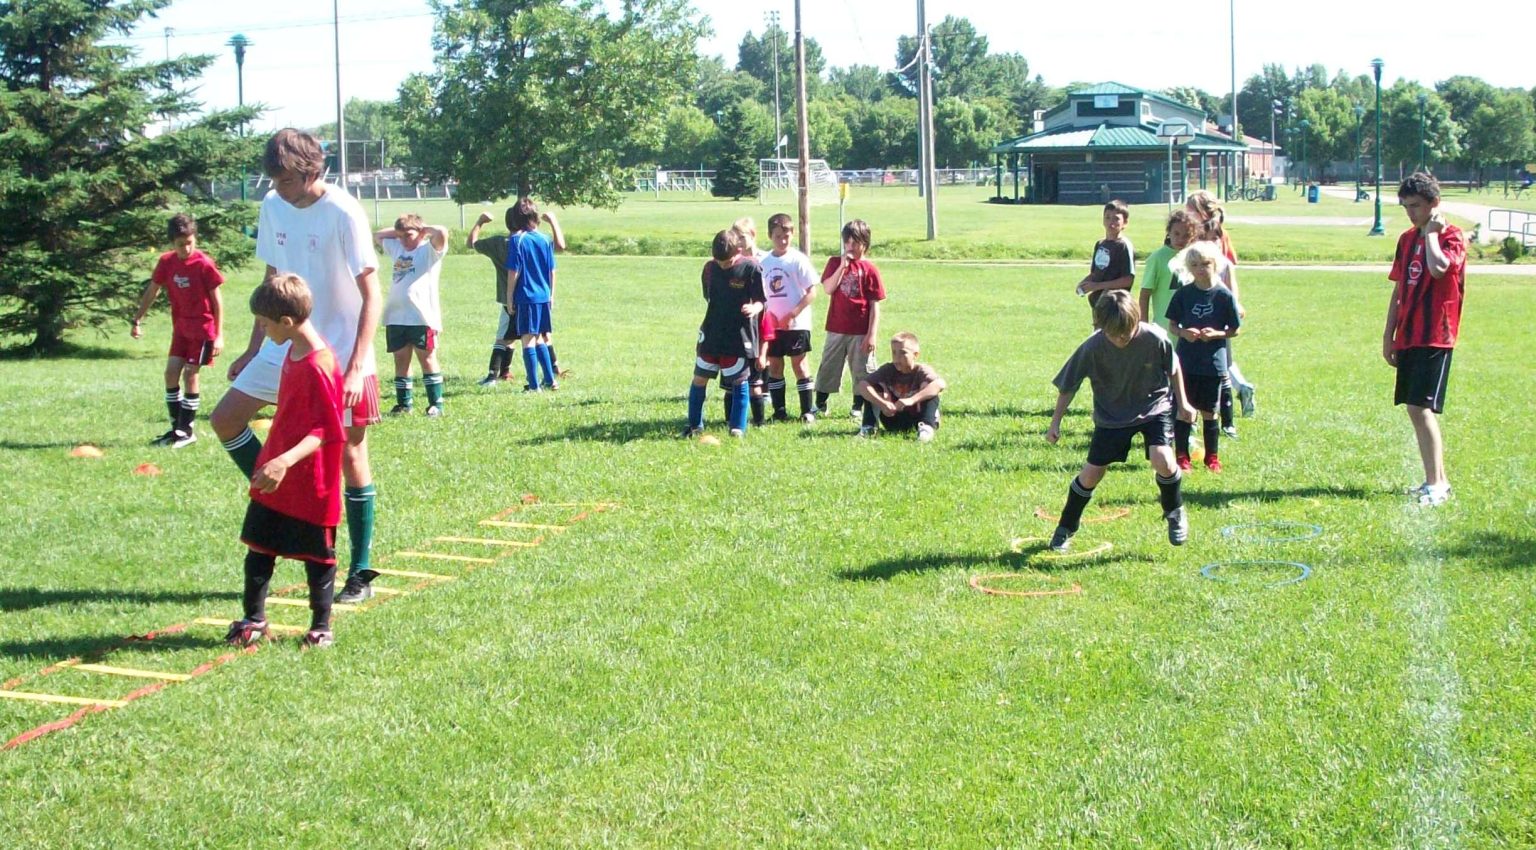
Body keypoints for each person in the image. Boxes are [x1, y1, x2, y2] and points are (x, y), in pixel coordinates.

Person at [210, 128, 383, 606]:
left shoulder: (344, 212)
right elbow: (271, 279)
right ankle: (281, 494)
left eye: (286, 179)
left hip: (337, 354)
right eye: (275, 179)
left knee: (349, 457)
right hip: (279, 343)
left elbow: (373, 293)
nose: (279, 187)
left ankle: (360, 569)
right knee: (225, 418)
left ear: (312, 171)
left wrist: (355, 367)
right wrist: (251, 348)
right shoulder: (272, 206)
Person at [225, 273, 346, 649]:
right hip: (277, 469)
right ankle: (253, 620)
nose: (261, 331)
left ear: (287, 322)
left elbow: (326, 429)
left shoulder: (319, 364)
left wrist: (284, 462)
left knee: (318, 554)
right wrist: (271, 458)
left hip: (311, 476)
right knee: (259, 544)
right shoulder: (291, 352)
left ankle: (321, 627)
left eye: (264, 324)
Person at [1045, 290, 1196, 552]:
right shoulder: (1092, 347)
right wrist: (1055, 422)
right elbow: (1068, 386)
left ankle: (1174, 512)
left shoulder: (1154, 338)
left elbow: (1173, 368)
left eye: (1128, 332)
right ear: (1101, 326)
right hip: (1111, 415)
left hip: (1154, 407)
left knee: (1163, 459)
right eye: (1114, 334)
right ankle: (1066, 527)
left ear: (1137, 320)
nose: (1122, 338)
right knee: (1091, 475)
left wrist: (1183, 403)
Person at [1383, 171, 1467, 506]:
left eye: (1416, 206)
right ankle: (1435, 479)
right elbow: (1398, 289)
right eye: (1405, 207)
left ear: (1434, 204)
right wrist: (1388, 335)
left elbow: (1438, 268)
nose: (1411, 213)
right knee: (1413, 408)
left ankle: (1438, 484)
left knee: (1422, 407)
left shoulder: (1451, 236)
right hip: (1409, 334)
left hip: (1436, 334)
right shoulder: (1406, 239)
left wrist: (1432, 234)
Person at [132, 213, 225, 448]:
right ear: (171, 243)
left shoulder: (203, 264)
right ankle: (176, 429)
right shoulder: (166, 262)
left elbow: (217, 301)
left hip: (203, 330)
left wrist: (219, 335)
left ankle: (187, 431)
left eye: (190, 243)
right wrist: (138, 318)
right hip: (181, 329)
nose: (186, 248)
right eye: (180, 245)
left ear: (195, 239)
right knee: (171, 373)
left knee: (190, 374)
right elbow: (152, 290)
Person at [1165, 240, 1242, 473]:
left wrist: (1217, 333)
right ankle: (1181, 457)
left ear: (1215, 264)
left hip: (1213, 362)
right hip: (1186, 362)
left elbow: (1235, 329)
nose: (1201, 269)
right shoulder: (1184, 294)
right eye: (1195, 264)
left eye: (1206, 264)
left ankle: (1212, 457)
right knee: (1184, 410)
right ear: (1189, 268)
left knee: (1210, 411)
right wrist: (1184, 333)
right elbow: (1172, 325)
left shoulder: (1223, 296)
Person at [468, 206, 566, 386]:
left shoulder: (505, 242)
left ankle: (498, 376)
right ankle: (551, 374)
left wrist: (480, 221)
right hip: (542, 296)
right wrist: (552, 221)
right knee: (540, 336)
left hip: (517, 298)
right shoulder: (541, 240)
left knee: (509, 337)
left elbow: (472, 243)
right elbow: (557, 255)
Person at [684, 230, 766, 438]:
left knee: (739, 381)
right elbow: (709, 297)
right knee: (699, 378)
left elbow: (761, 300)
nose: (723, 266)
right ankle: (695, 425)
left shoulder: (751, 267)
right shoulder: (710, 269)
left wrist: (755, 308)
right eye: (718, 261)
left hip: (738, 336)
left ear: (739, 251)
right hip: (712, 333)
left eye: (727, 262)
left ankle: (737, 428)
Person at [1186, 190, 1255, 430]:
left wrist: (1233, 304)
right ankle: (1238, 392)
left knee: (1216, 362)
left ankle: (1216, 417)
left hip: (1212, 306)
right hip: (1208, 303)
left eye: (1190, 208)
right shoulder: (1208, 233)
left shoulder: (1207, 236)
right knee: (1219, 360)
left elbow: (1227, 269)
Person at [376, 214, 449, 416]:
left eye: (408, 235)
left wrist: (422, 228)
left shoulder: (428, 251)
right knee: (400, 359)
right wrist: (402, 232)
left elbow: (442, 232)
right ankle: (404, 404)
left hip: (421, 316)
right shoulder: (398, 248)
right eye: (399, 236)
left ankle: (436, 403)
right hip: (396, 316)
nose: (403, 240)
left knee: (426, 358)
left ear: (422, 233)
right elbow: (377, 235)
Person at [815, 219, 885, 420]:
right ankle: (820, 403)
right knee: (829, 365)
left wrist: (871, 335)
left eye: (856, 243)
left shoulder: (870, 269)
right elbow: (828, 288)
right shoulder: (834, 263)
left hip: (860, 330)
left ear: (865, 243)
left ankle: (857, 405)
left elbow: (874, 304)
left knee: (861, 369)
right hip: (837, 328)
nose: (851, 247)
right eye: (848, 242)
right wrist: (842, 267)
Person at [758, 213, 819, 423]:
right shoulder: (764, 262)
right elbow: (761, 293)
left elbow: (812, 292)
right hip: (773, 325)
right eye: (777, 237)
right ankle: (779, 411)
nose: (783, 241)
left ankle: (807, 411)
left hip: (796, 324)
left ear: (792, 234)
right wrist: (768, 314)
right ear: (769, 236)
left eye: (786, 236)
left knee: (799, 365)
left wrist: (793, 313)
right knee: (774, 366)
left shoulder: (797, 259)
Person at [504, 197, 560, 392]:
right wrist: (551, 294)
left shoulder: (517, 240)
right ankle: (550, 380)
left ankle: (534, 385)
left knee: (527, 339)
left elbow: (514, 271)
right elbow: (552, 270)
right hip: (544, 295)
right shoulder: (545, 239)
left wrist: (509, 296)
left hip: (526, 296)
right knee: (541, 338)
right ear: (535, 217)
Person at [855, 332, 946, 442]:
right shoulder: (888, 370)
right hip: (892, 417)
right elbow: (863, 385)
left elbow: (940, 384)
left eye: (903, 353)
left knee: (930, 391)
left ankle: (926, 429)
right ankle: (869, 427)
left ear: (915, 355)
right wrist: (882, 404)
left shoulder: (921, 371)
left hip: (916, 418)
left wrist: (911, 400)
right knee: (872, 388)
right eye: (894, 353)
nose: (897, 358)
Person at [1136, 210, 1200, 334]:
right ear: (1168, 232)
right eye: (1176, 234)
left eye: (1186, 235)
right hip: (1164, 326)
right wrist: (1143, 325)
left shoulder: (1194, 257)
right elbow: (1145, 294)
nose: (1180, 239)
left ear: (1193, 236)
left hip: (1189, 326)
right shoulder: (1157, 258)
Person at [1074, 200, 1134, 314]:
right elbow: (1095, 273)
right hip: (1098, 304)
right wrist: (1084, 284)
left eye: (1116, 219)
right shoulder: (1100, 244)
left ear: (1125, 222)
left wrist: (1097, 286)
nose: (1111, 222)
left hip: (1115, 306)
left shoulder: (1124, 246)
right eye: (1107, 217)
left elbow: (1128, 280)